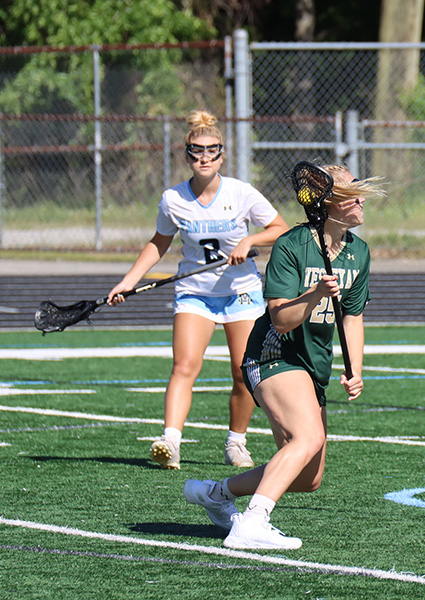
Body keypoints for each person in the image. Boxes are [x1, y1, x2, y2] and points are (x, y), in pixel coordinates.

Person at [182, 162, 386, 550]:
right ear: (327, 203)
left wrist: (354, 368)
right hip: (273, 355)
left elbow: (353, 317)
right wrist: (314, 296)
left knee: (309, 477)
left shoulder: (358, 253)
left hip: (313, 367)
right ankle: (252, 523)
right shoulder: (293, 245)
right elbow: (281, 318)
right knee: (309, 435)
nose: (361, 199)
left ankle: (217, 493)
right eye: (351, 193)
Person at [108, 110, 289, 470]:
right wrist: (130, 279)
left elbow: (280, 229)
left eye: (211, 150)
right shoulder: (173, 199)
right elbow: (158, 242)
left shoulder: (241, 193)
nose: (204, 157)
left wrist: (250, 240)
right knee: (185, 366)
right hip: (195, 291)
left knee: (243, 371)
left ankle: (236, 442)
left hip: (241, 291)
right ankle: (170, 441)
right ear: (186, 155)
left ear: (222, 154)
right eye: (196, 151)